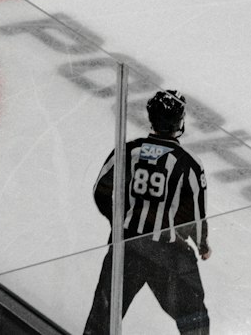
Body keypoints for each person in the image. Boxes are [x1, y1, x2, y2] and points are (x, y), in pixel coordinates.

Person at [83, 91, 211, 335]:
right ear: (180, 122)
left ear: (151, 119)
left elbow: (101, 190)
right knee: (194, 317)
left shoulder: (129, 150)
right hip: (168, 255)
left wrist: (118, 223)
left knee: (103, 317)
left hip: (126, 248)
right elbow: (195, 215)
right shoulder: (188, 163)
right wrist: (202, 245)